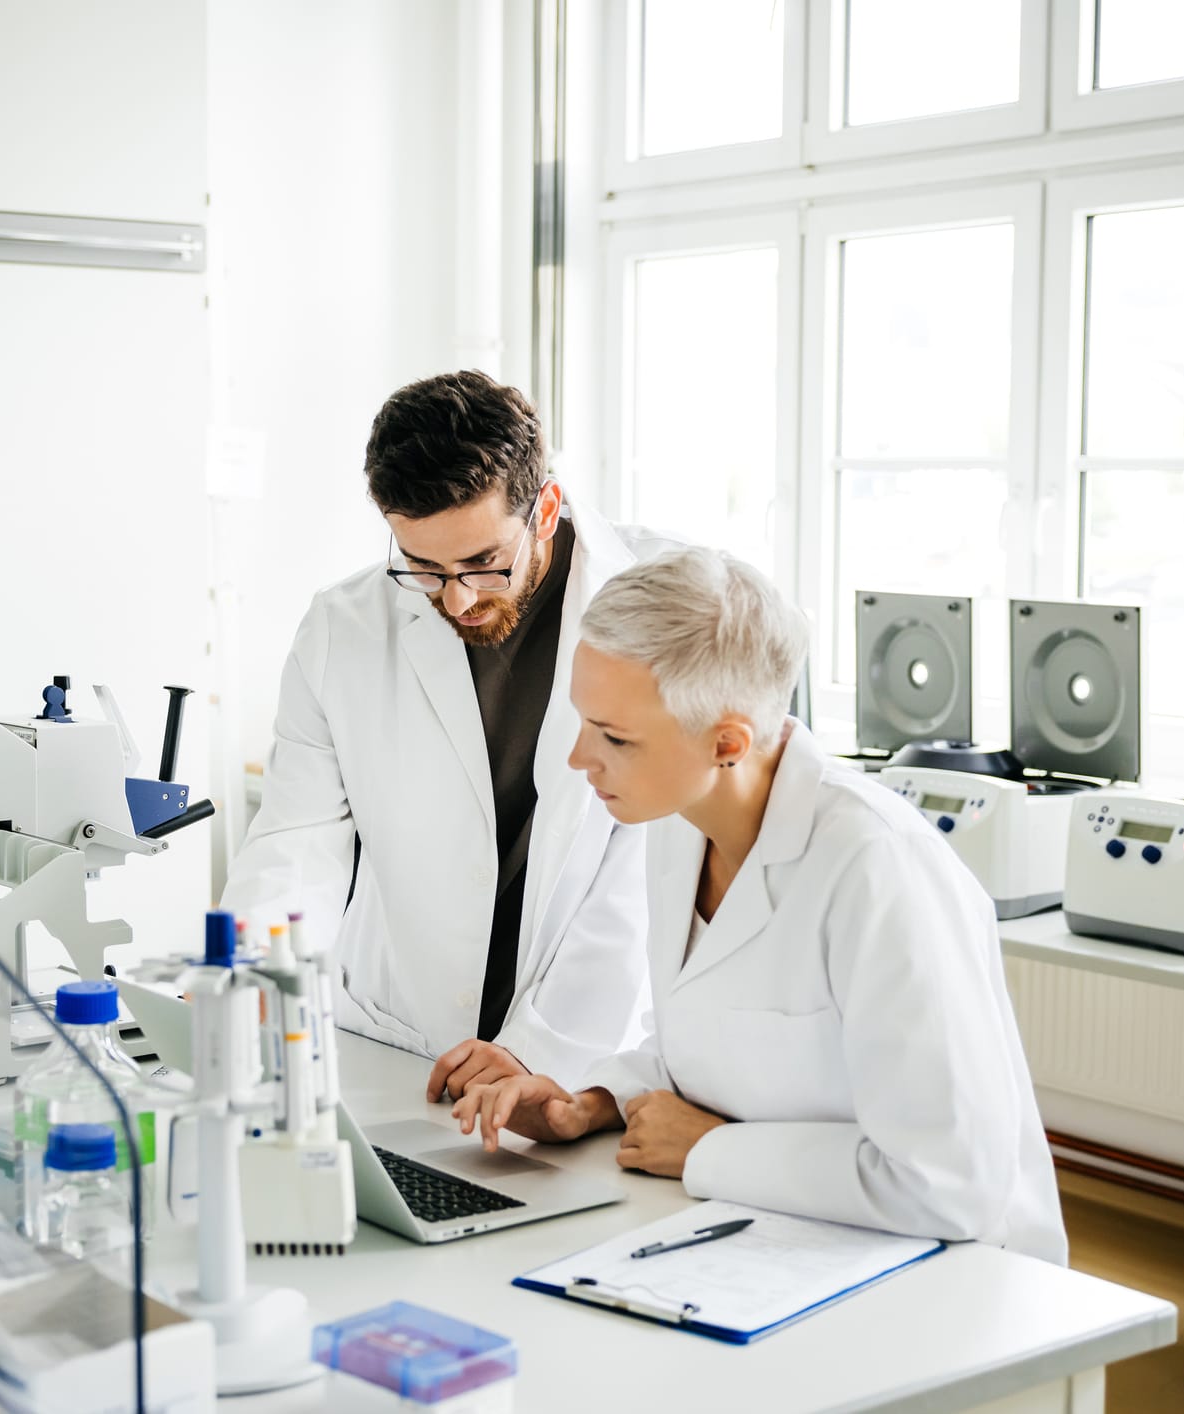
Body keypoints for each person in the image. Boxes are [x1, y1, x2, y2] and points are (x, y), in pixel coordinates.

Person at [451, 549, 1067, 1264]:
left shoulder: (879, 868)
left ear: (727, 743)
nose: (579, 758)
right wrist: (589, 1104)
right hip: (776, 1237)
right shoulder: (681, 822)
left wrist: (708, 1151)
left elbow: (951, 1185)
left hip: (956, 1270)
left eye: (615, 737)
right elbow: (713, 1045)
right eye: (584, 721)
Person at [220, 371, 679, 1100]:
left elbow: (646, 863)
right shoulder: (341, 629)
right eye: (425, 568)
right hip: (404, 1037)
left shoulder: (663, 600)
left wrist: (541, 1048)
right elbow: (296, 840)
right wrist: (248, 983)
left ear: (545, 509)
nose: (458, 598)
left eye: (483, 564)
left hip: (582, 1044)